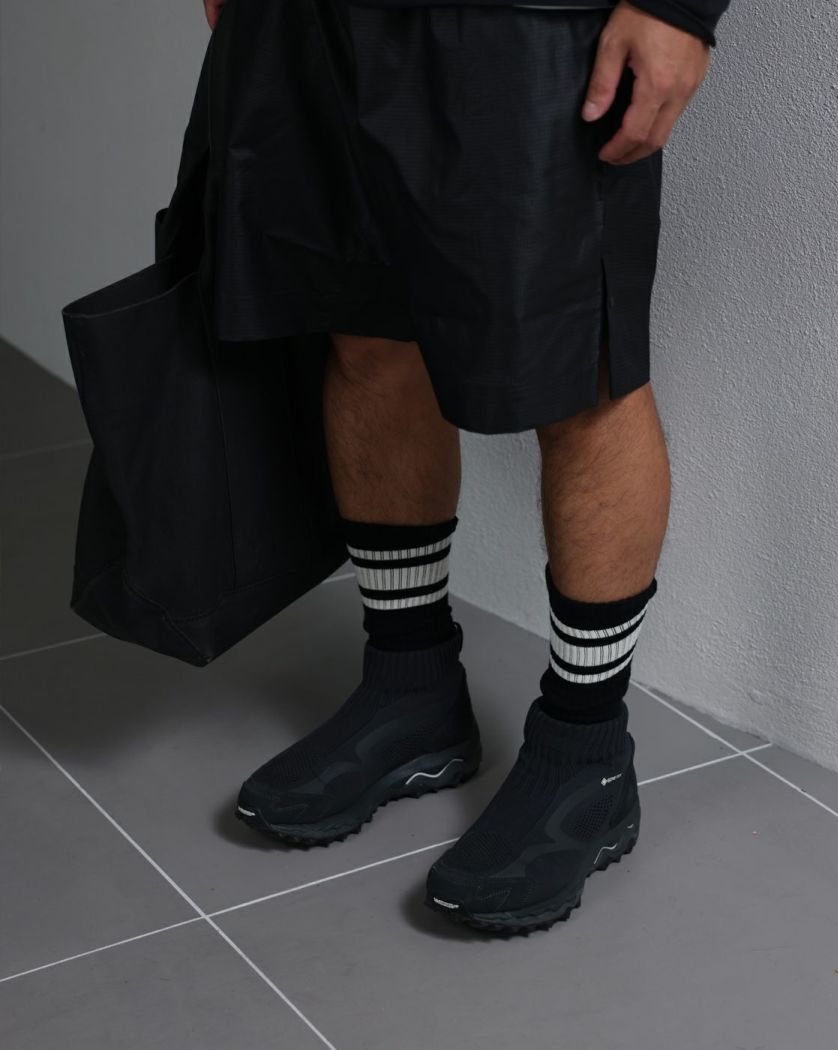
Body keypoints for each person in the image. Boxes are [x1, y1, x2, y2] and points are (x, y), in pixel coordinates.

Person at [203, 0, 732, 933]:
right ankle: (410, 687)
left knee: (581, 369)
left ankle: (586, 754)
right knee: (366, 334)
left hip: (533, 22)